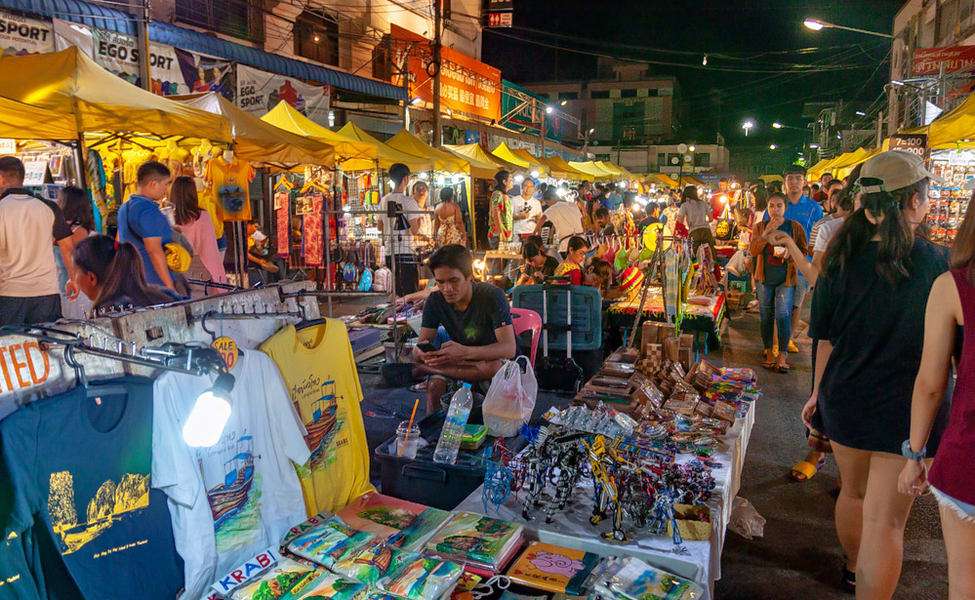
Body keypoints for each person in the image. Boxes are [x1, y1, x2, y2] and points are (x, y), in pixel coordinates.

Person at [803, 151, 948, 596]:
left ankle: (853, 568)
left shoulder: (839, 260)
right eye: (926, 195)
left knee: (853, 493)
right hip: (907, 409)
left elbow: (824, 338)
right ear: (912, 201)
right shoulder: (937, 265)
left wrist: (816, 394)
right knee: (886, 522)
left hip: (845, 397)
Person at [898, 193, 975, 600]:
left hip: (968, 460)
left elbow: (931, 382)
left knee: (966, 583)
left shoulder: (955, 286)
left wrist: (914, 455)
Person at [412, 244, 516, 413]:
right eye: (440, 282)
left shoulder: (492, 296)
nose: (447, 289)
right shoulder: (435, 300)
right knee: (435, 386)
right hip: (460, 362)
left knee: (493, 367)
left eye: (454, 281)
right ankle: (434, 427)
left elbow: (509, 349)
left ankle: (428, 370)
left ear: (469, 276)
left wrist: (465, 352)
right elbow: (421, 345)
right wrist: (423, 353)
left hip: (493, 359)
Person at [0, 156, 77, 325]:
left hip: (9, 295)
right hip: (47, 294)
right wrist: (73, 278)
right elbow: (68, 248)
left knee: (11, 341)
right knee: (47, 340)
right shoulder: (49, 207)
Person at [749, 193, 807, 372]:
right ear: (767, 208)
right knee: (766, 315)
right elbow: (753, 250)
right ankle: (768, 351)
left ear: (785, 208)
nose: (775, 209)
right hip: (764, 278)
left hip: (786, 279)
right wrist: (766, 233)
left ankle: (782, 355)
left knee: (783, 314)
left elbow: (803, 250)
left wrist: (790, 253)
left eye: (779, 206)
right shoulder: (760, 227)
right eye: (771, 206)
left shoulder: (794, 227)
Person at [71, 235, 181, 315]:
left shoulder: (107, 313)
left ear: (91, 278)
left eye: (76, 272)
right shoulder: (167, 294)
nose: (74, 279)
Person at [782, 165, 824, 353]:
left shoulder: (814, 208)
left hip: (802, 264)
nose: (794, 182)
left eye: (798, 178)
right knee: (778, 303)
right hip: (778, 262)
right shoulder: (778, 204)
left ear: (804, 181)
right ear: (785, 182)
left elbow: (819, 236)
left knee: (795, 304)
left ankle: (789, 338)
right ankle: (776, 339)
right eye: (790, 178)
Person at [117, 161, 176, 290]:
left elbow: (120, 241)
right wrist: (170, 286)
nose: (166, 190)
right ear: (153, 184)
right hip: (154, 283)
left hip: (132, 280)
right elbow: (154, 250)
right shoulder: (148, 210)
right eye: (165, 184)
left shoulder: (125, 207)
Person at [170, 176, 227, 293]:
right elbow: (210, 253)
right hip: (204, 277)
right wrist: (219, 283)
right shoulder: (202, 217)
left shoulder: (168, 220)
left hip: (180, 278)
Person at [378, 163, 424, 296]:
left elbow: (379, 227)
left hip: (389, 251)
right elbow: (414, 230)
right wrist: (419, 220)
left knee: (397, 291)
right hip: (405, 251)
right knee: (409, 293)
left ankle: (397, 310)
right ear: (406, 179)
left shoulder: (384, 200)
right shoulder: (409, 202)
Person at [56, 186, 96, 319]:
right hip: (77, 287)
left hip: (72, 288)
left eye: (59, 200)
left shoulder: (69, 230)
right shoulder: (80, 229)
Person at [536, 189, 585, 254]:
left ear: (552, 198)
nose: (548, 205)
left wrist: (536, 238)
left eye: (547, 202)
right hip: (582, 242)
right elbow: (583, 222)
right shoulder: (573, 205)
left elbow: (540, 223)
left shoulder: (552, 208)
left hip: (566, 246)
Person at [677, 185, 714, 253]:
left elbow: (680, 221)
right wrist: (703, 222)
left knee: (693, 254)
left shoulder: (684, 205)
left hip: (694, 231)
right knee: (710, 253)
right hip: (706, 230)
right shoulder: (703, 203)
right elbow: (711, 219)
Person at [488, 170, 513, 249]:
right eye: (511, 179)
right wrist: (501, 234)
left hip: (505, 234)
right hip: (499, 235)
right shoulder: (497, 194)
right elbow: (495, 213)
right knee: (499, 255)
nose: (512, 182)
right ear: (504, 182)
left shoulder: (504, 195)